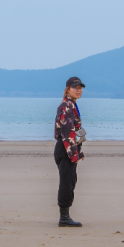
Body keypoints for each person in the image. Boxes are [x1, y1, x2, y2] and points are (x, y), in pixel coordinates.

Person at [54, 77, 86, 227]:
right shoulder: (67, 105)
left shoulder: (71, 104)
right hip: (66, 147)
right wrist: (73, 154)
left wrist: (78, 152)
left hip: (69, 147)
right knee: (67, 182)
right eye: (75, 88)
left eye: (80, 88)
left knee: (71, 180)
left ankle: (65, 216)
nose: (78, 90)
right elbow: (67, 133)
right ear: (68, 89)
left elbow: (74, 132)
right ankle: (64, 218)